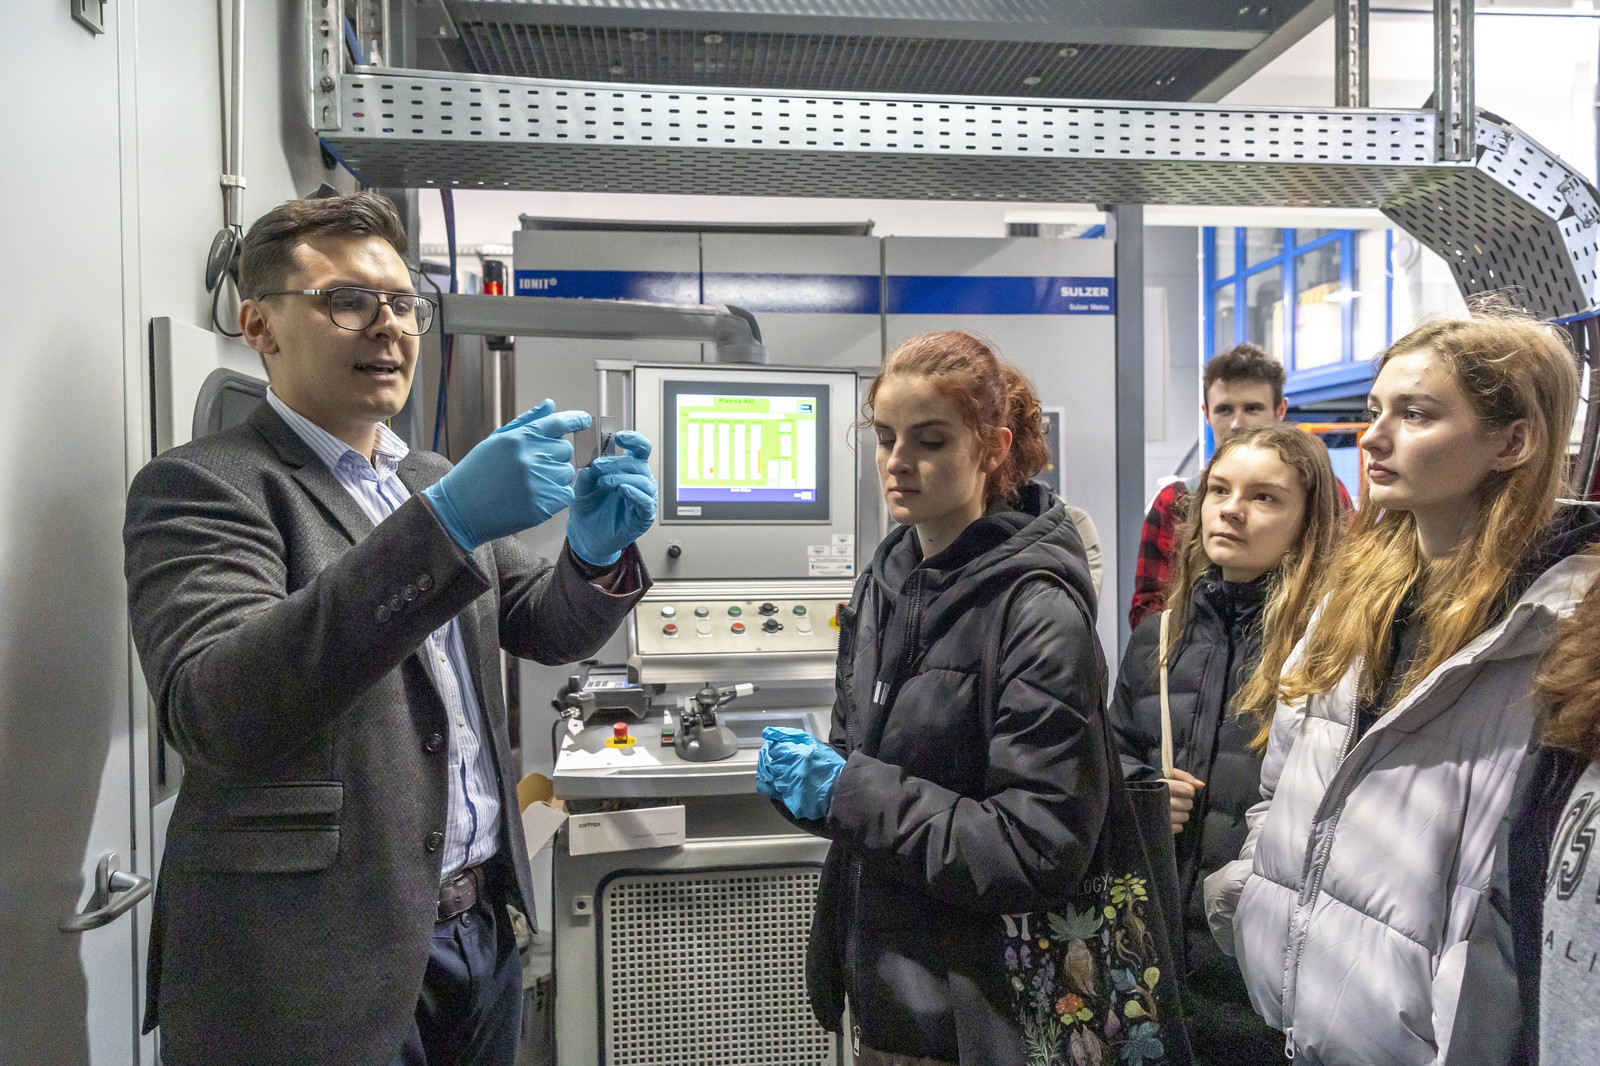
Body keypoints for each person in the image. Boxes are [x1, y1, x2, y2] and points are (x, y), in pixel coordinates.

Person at [123, 191, 657, 1066]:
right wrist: (445, 524)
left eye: (404, 303)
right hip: (310, 968)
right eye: (347, 301)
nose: (389, 327)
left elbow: (539, 623)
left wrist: (592, 555)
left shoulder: (425, 475)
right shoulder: (208, 485)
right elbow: (218, 711)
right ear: (259, 327)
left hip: (477, 934)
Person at [1203, 308, 1600, 1066]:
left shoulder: (1563, 634)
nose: (1373, 437)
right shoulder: (1349, 599)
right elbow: (1282, 783)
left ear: (1512, 443)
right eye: (1374, 409)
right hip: (1296, 1023)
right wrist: (1252, 898)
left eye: (1415, 414)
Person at [754, 331, 1112, 1065]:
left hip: (982, 1011)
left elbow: (1036, 847)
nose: (897, 461)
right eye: (886, 437)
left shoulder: (1037, 611)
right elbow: (862, 766)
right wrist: (813, 789)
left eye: (930, 440)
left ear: (992, 447)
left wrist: (847, 790)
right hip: (886, 990)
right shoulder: (886, 581)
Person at [1110, 424, 1342, 1066]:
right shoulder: (1159, 637)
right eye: (1219, 490)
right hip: (1153, 956)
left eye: (1264, 497)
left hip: (1264, 973)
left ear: (1309, 521)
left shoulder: (1331, 651)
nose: (1232, 509)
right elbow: (1107, 754)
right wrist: (1137, 788)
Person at [1129, 343, 1352, 630]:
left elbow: (1346, 588)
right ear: (1207, 414)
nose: (1237, 423)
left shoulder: (1322, 492)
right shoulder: (1176, 500)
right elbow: (1149, 615)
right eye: (1224, 409)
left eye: (1252, 408)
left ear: (1280, 410)